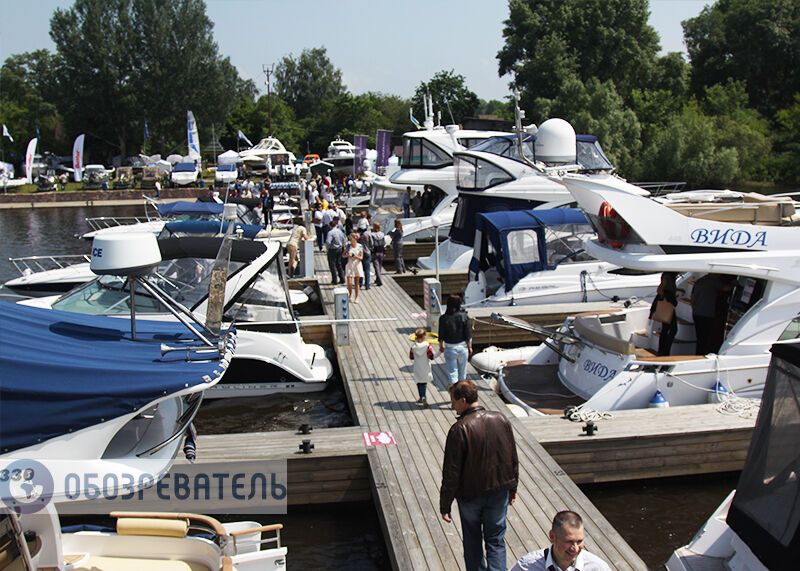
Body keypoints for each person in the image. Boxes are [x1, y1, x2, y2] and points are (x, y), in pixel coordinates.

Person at [440, 380, 518, 571]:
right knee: (496, 540)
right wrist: (513, 487)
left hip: (470, 496)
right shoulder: (501, 419)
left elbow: (451, 472)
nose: (452, 406)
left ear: (463, 400)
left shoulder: (459, 429)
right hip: (499, 492)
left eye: (454, 401)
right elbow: (512, 457)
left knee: (472, 541)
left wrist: (445, 504)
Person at [509, 511, 610, 571]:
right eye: (569, 541)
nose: (575, 548)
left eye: (579, 541)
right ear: (552, 536)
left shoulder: (598, 568)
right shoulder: (526, 566)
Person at [439, 295, 473, 384]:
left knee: (452, 373)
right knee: (462, 374)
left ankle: (455, 393)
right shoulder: (464, 316)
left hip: (450, 348)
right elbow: (468, 334)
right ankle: (462, 392)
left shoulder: (443, 318)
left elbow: (441, 334)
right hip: (462, 347)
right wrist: (470, 347)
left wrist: (441, 345)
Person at [650, 272, 678, 356]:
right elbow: (662, 290)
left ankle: (662, 350)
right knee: (672, 329)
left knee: (665, 329)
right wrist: (672, 299)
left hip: (665, 303)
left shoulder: (667, 275)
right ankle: (665, 351)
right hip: (667, 305)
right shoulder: (668, 276)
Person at [409, 327, 434, 406]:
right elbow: (431, 356)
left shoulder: (413, 346)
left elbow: (411, 357)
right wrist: (440, 352)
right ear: (424, 336)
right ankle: (423, 397)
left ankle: (421, 397)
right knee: (424, 383)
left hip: (417, 367)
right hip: (425, 367)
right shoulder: (427, 345)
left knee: (419, 382)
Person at [325, 219, 347, 285]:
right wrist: (343, 247)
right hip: (340, 249)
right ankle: (342, 279)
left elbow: (328, 242)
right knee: (339, 264)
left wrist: (327, 248)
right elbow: (344, 240)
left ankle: (334, 280)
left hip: (332, 250)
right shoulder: (340, 231)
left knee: (332, 265)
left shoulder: (330, 232)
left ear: (330, 226)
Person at [345, 232, 364, 303]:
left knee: (356, 283)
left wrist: (354, 256)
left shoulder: (360, 246)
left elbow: (361, 257)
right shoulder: (348, 246)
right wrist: (347, 255)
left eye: (351, 239)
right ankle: (350, 295)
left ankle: (356, 297)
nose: (350, 241)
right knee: (349, 282)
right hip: (350, 264)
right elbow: (343, 255)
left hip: (357, 265)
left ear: (355, 239)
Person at [370, 222, 386, 287]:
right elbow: (384, 244)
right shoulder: (382, 234)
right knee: (379, 266)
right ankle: (377, 279)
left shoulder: (372, 235)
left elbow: (371, 244)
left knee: (376, 267)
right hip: (381, 252)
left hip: (375, 252)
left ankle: (379, 281)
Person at [359, 224, 373, 289]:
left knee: (360, 269)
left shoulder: (359, 236)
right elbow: (371, 244)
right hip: (367, 252)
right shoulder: (368, 234)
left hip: (360, 253)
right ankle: (367, 285)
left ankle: (360, 284)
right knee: (367, 270)